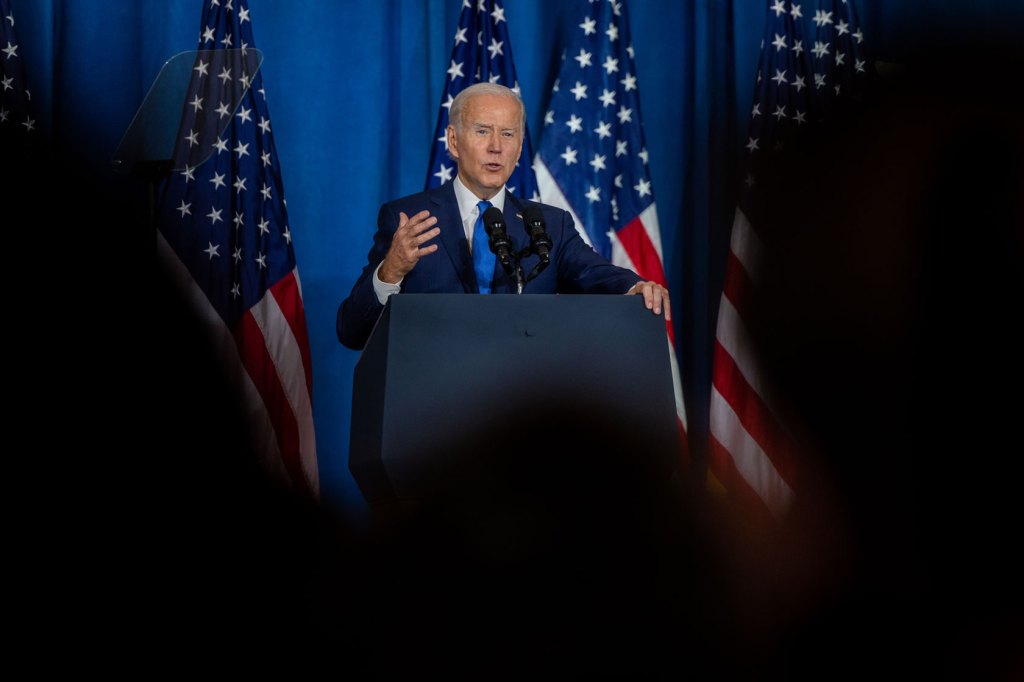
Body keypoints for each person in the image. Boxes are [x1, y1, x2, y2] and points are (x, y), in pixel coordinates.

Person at [337, 82, 670, 350]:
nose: (496, 146)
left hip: (519, 409)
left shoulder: (550, 224)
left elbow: (596, 274)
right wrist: (391, 271)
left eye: (508, 134)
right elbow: (352, 331)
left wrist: (635, 286)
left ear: (519, 147)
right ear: (453, 142)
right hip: (430, 412)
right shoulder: (408, 219)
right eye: (483, 131)